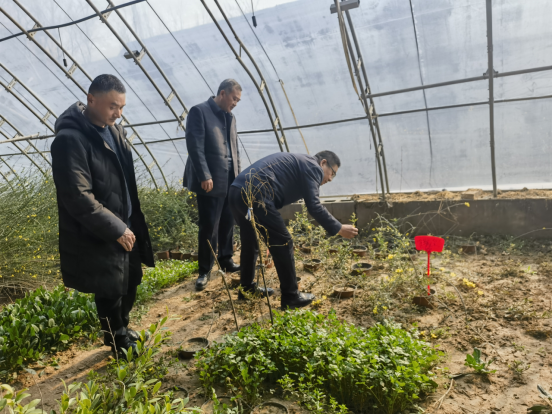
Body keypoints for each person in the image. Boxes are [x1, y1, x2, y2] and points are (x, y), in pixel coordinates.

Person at [51, 74, 154, 356]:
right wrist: (116, 228)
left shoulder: (114, 131)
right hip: (100, 228)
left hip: (126, 221)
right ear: (91, 100)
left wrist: (129, 222)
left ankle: (123, 327)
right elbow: (77, 195)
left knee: (130, 280)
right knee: (110, 287)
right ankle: (116, 339)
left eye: (121, 107)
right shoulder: (69, 140)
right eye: (112, 106)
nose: (118, 114)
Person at [229, 151, 358, 309]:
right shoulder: (313, 167)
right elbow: (314, 206)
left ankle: (247, 289)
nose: (330, 179)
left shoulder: (302, 163)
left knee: (250, 242)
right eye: (332, 173)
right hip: (256, 193)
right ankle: (291, 296)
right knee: (283, 242)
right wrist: (339, 228)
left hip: (236, 191)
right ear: (323, 163)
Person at [183, 79, 242, 291]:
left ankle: (226, 259)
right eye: (234, 99)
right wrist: (204, 174)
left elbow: (235, 149)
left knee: (228, 221)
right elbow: (194, 145)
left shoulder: (231, 117)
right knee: (209, 226)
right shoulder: (199, 111)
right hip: (210, 180)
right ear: (222, 93)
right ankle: (205, 270)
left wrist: (239, 177)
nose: (235, 103)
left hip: (230, 179)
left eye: (238, 101)